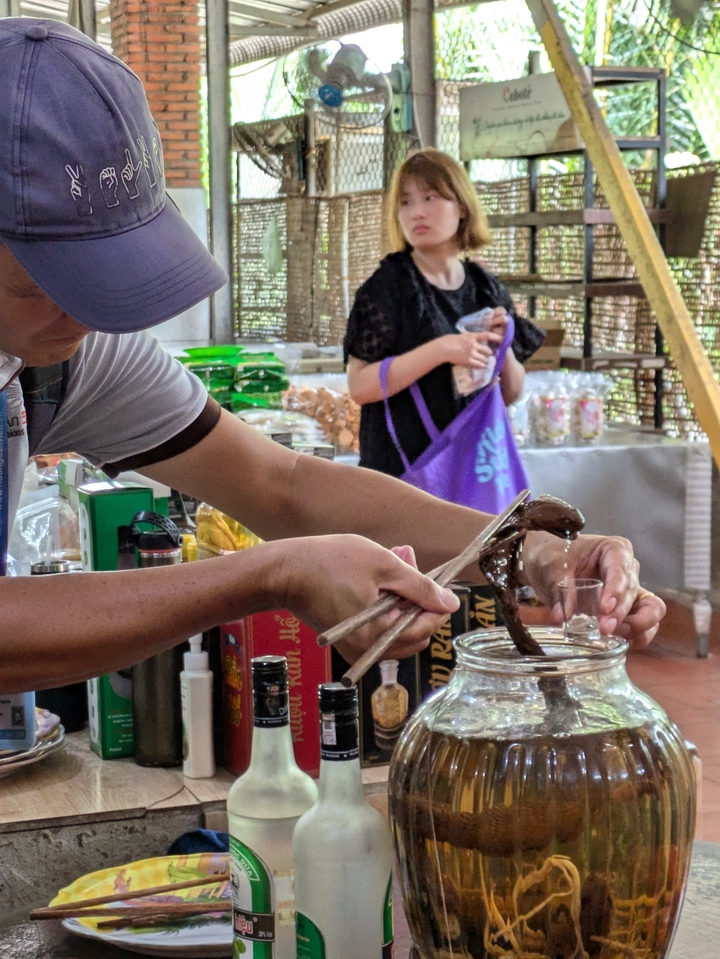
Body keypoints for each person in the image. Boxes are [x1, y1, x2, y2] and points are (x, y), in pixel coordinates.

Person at [0, 19, 663, 698]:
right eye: (50, 279)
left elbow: (280, 484)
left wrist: (530, 550)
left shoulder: (70, 356)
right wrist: (268, 575)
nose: (85, 313)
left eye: (110, 275)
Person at [344, 148, 542, 513]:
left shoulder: (485, 288)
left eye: (430, 198)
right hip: (400, 475)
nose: (416, 212)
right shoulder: (388, 287)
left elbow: (510, 393)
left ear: (462, 207)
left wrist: (505, 344)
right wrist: (442, 350)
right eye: (405, 202)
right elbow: (360, 386)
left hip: (468, 472)